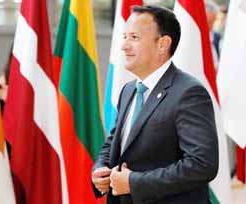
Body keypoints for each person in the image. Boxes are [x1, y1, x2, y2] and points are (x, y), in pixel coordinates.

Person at [92, 5, 218, 204]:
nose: (124, 45)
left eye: (134, 37)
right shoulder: (128, 89)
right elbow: (114, 141)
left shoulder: (188, 92)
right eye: (124, 37)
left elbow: (202, 164)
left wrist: (134, 182)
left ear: (163, 44)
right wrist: (100, 169)